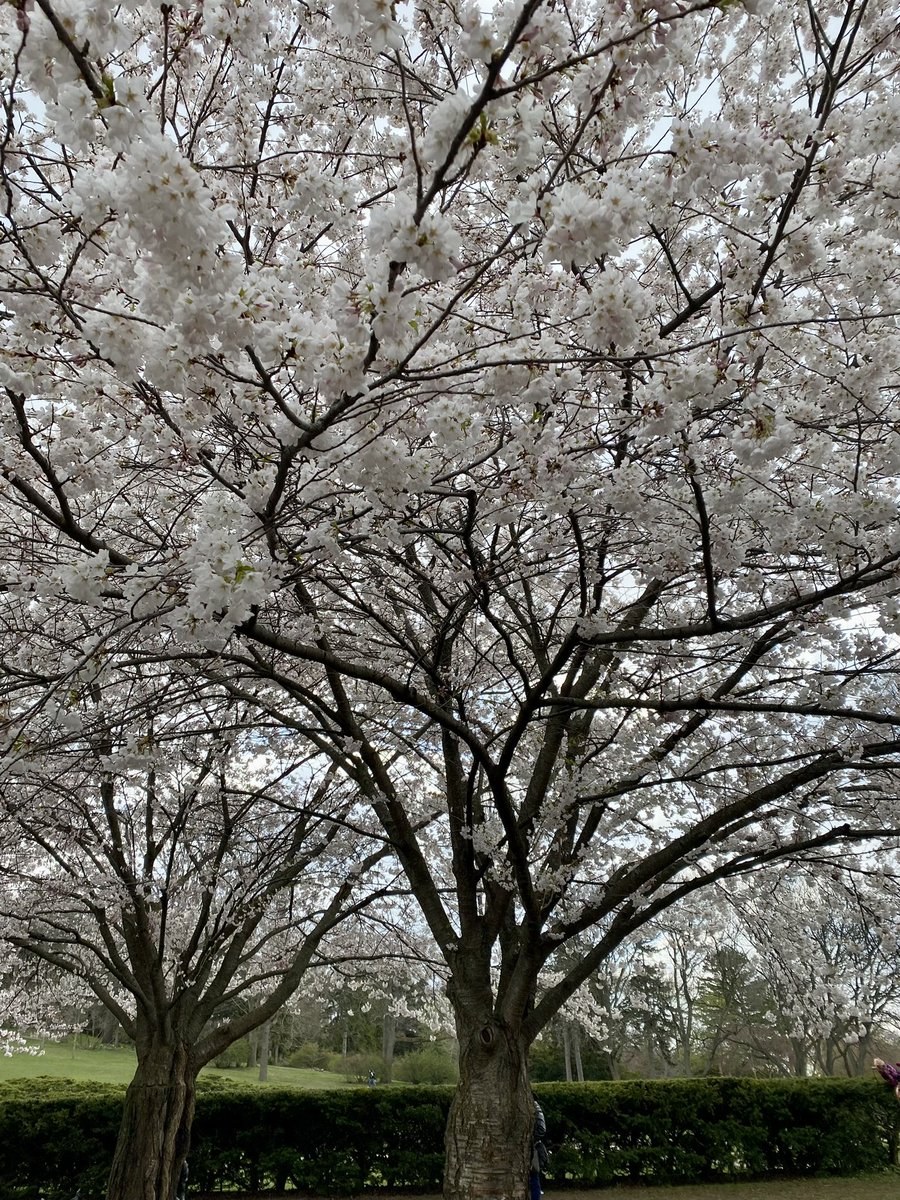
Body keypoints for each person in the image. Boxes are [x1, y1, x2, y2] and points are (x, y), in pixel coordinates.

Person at [530, 1096, 549, 1200]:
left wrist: (530, 1140)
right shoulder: (535, 1108)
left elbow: (541, 1130)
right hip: (532, 1146)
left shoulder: (535, 1108)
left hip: (533, 1147)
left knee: (534, 1176)